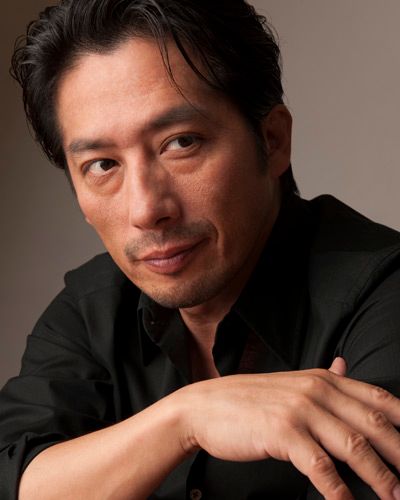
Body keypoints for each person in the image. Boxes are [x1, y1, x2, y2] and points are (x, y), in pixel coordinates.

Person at [1, 0, 400, 498]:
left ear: (272, 140)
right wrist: (185, 419)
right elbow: (17, 476)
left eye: (181, 143)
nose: (146, 209)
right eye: (102, 165)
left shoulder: (385, 296)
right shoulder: (91, 309)